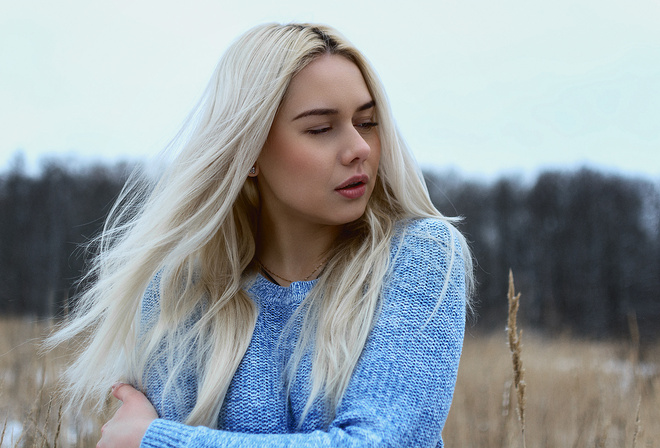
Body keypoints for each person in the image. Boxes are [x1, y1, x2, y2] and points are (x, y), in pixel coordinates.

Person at [49, 22, 473, 447]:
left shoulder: (420, 256)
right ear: (249, 149)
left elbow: (379, 443)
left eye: (367, 122)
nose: (359, 148)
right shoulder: (182, 294)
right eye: (321, 129)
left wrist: (159, 440)